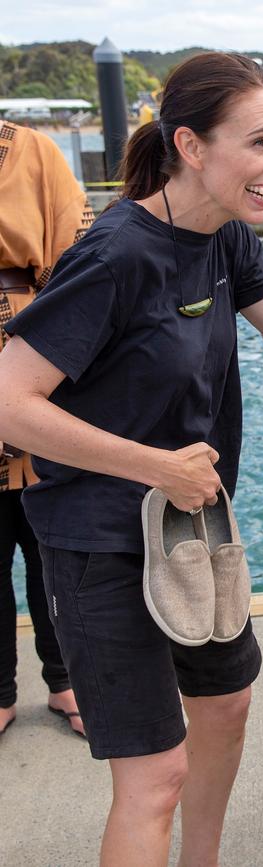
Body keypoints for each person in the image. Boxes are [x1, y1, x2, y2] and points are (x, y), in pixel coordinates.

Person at [0, 52, 263, 867]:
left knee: (227, 708)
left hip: (196, 528)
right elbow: (9, 399)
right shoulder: (117, 254)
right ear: (191, 146)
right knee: (154, 775)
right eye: (261, 143)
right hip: (99, 541)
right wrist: (155, 464)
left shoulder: (227, 240)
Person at [0, 118, 93, 737]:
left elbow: (79, 263)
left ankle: (66, 680)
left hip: (37, 359)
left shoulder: (31, 149)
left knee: (51, 548)